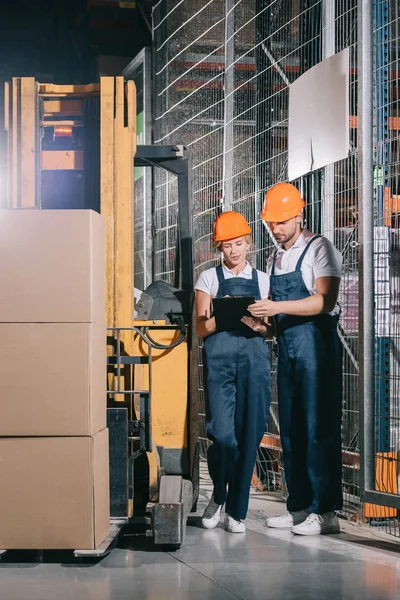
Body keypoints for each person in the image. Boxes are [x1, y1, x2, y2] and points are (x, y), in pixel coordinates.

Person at [246, 183, 343, 536]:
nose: (276, 228)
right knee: (291, 430)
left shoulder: (320, 249)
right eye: (271, 222)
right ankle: (299, 507)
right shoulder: (275, 258)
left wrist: (277, 307)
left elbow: (324, 301)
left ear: (300, 215)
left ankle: (326, 511)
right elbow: (278, 317)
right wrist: (263, 325)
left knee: (319, 428)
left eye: (282, 221)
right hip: (287, 349)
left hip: (316, 348)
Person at [195, 211, 271, 533]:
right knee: (223, 435)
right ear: (219, 248)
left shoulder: (264, 280)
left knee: (249, 433)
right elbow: (200, 328)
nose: (234, 251)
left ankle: (236, 511)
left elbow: (270, 326)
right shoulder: (208, 279)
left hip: (253, 359)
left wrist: (260, 324)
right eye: (226, 245)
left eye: (238, 243)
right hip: (220, 358)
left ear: (248, 242)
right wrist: (222, 318)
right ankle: (218, 493)